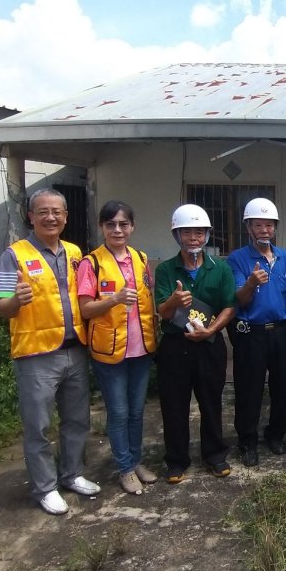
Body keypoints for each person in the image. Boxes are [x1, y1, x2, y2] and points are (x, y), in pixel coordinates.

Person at [0, 188, 100, 515]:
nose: (50, 217)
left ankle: (71, 474)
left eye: (57, 212)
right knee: (38, 425)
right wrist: (16, 300)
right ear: (31, 216)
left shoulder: (74, 252)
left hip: (75, 351)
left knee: (77, 419)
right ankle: (45, 487)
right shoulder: (13, 255)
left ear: (66, 217)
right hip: (36, 355)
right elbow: (2, 306)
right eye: (43, 211)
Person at [77, 201, 159, 495]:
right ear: (102, 227)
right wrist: (113, 299)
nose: (117, 230)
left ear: (132, 227)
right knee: (119, 411)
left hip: (140, 348)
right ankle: (124, 467)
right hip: (109, 351)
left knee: (137, 411)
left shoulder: (140, 258)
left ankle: (135, 461)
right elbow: (85, 310)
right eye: (110, 224)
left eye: (123, 224)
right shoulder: (92, 263)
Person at [154, 204, 236, 483]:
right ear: (177, 235)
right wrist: (174, 301)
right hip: (175, 347)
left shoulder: (220, 268)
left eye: (199, 232)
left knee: (212, 401)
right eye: (187, 232)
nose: (193, 238)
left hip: (210, 345)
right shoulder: (166, 270)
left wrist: (210, 329)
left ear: (207, 236)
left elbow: (230, 306)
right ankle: (176, 460)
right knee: (174, 404)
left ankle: (215, 455)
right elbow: (162, 312)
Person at [228, 198, 286, 467]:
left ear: (275, 228)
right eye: (257, 225)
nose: (263, 230)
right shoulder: (237, 259)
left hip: (282, 330)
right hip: (251, 332)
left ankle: (276, 435)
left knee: (282, 387)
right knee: (249, 389)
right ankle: (247, 441)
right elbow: (239, 298)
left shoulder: (285, 258)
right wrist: (250, 282)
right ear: (248, 227)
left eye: (268, 225)